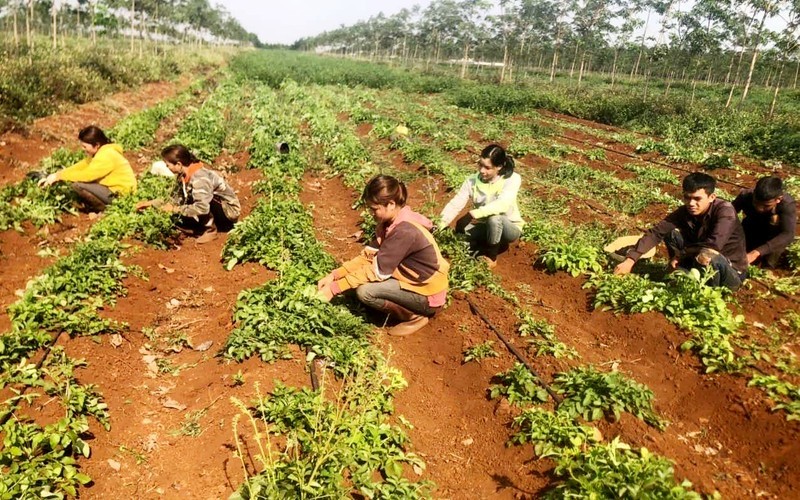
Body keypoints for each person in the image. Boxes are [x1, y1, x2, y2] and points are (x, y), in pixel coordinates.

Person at [317, 175, 449, 337]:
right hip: (411, 282)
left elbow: (378, 271)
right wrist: (334, 275)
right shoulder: (390, 224)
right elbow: (368, 256)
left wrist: (334, 289)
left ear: (391, 204)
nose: (370, 213)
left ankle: (414, 317)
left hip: (428, 296)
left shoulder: (404, 231)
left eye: (374, 209)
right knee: (357, 284)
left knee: (365, 291)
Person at [614, 172, 748, 291]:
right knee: (671, 233)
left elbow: (713, 246)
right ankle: (679, 272)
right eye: (687, 198)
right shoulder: (685, 211)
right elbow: (656, 232)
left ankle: (708, 294)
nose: (691, 203)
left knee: (709, 256)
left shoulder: (725, 211)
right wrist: (630, 261)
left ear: (712, 197)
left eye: (697, 199)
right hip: (698, 257)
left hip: (730, 271)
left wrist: (681, 255)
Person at [439, 144, 523, 268]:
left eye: (487, 168)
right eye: (480, 165)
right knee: (457, 238)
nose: (482, 170)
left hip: (509, 228)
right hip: (486, 226)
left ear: (499, 167)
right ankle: (482, 243)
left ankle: (491, 256)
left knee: (495, 218)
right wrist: (440, 224)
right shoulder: (472, 181)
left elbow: (502, 205)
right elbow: (455, 204)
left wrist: (473, 213)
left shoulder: (512, 179)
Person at [136, 144, 240, 244]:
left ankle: (210, 230)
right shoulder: (183, 175)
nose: (167, 168)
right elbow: (174, 200)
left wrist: (174, 209)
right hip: (214, 208)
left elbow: (202, 207)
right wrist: (151, 203)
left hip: (228, 212)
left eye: (168, 165)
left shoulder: (200, 178)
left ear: (178, 164)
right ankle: (198, 227)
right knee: (179, 212)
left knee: (198, 200)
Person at [38, 125, 136, 211]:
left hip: (120, 195)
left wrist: (60, 176)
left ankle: (104, 208)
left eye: (85, 147)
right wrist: (56, 175)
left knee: (78, 185)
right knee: (78, 181)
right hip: (116, 191)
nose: (83, 149)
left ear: (96, 145)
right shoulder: (101, 152)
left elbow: (87, 176)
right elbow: (81, 166)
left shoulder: (106, 155)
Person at [732, 176, 796, 268]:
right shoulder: (745, 196)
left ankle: (767, 266)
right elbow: (727, 215)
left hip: (772, 236)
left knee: (767, 265)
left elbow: (787, 234)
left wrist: (757, 252)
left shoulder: (786, 205)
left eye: (766, 206)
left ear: (778, 199)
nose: (759, 208)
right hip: (751, 227)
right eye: (756, 203)